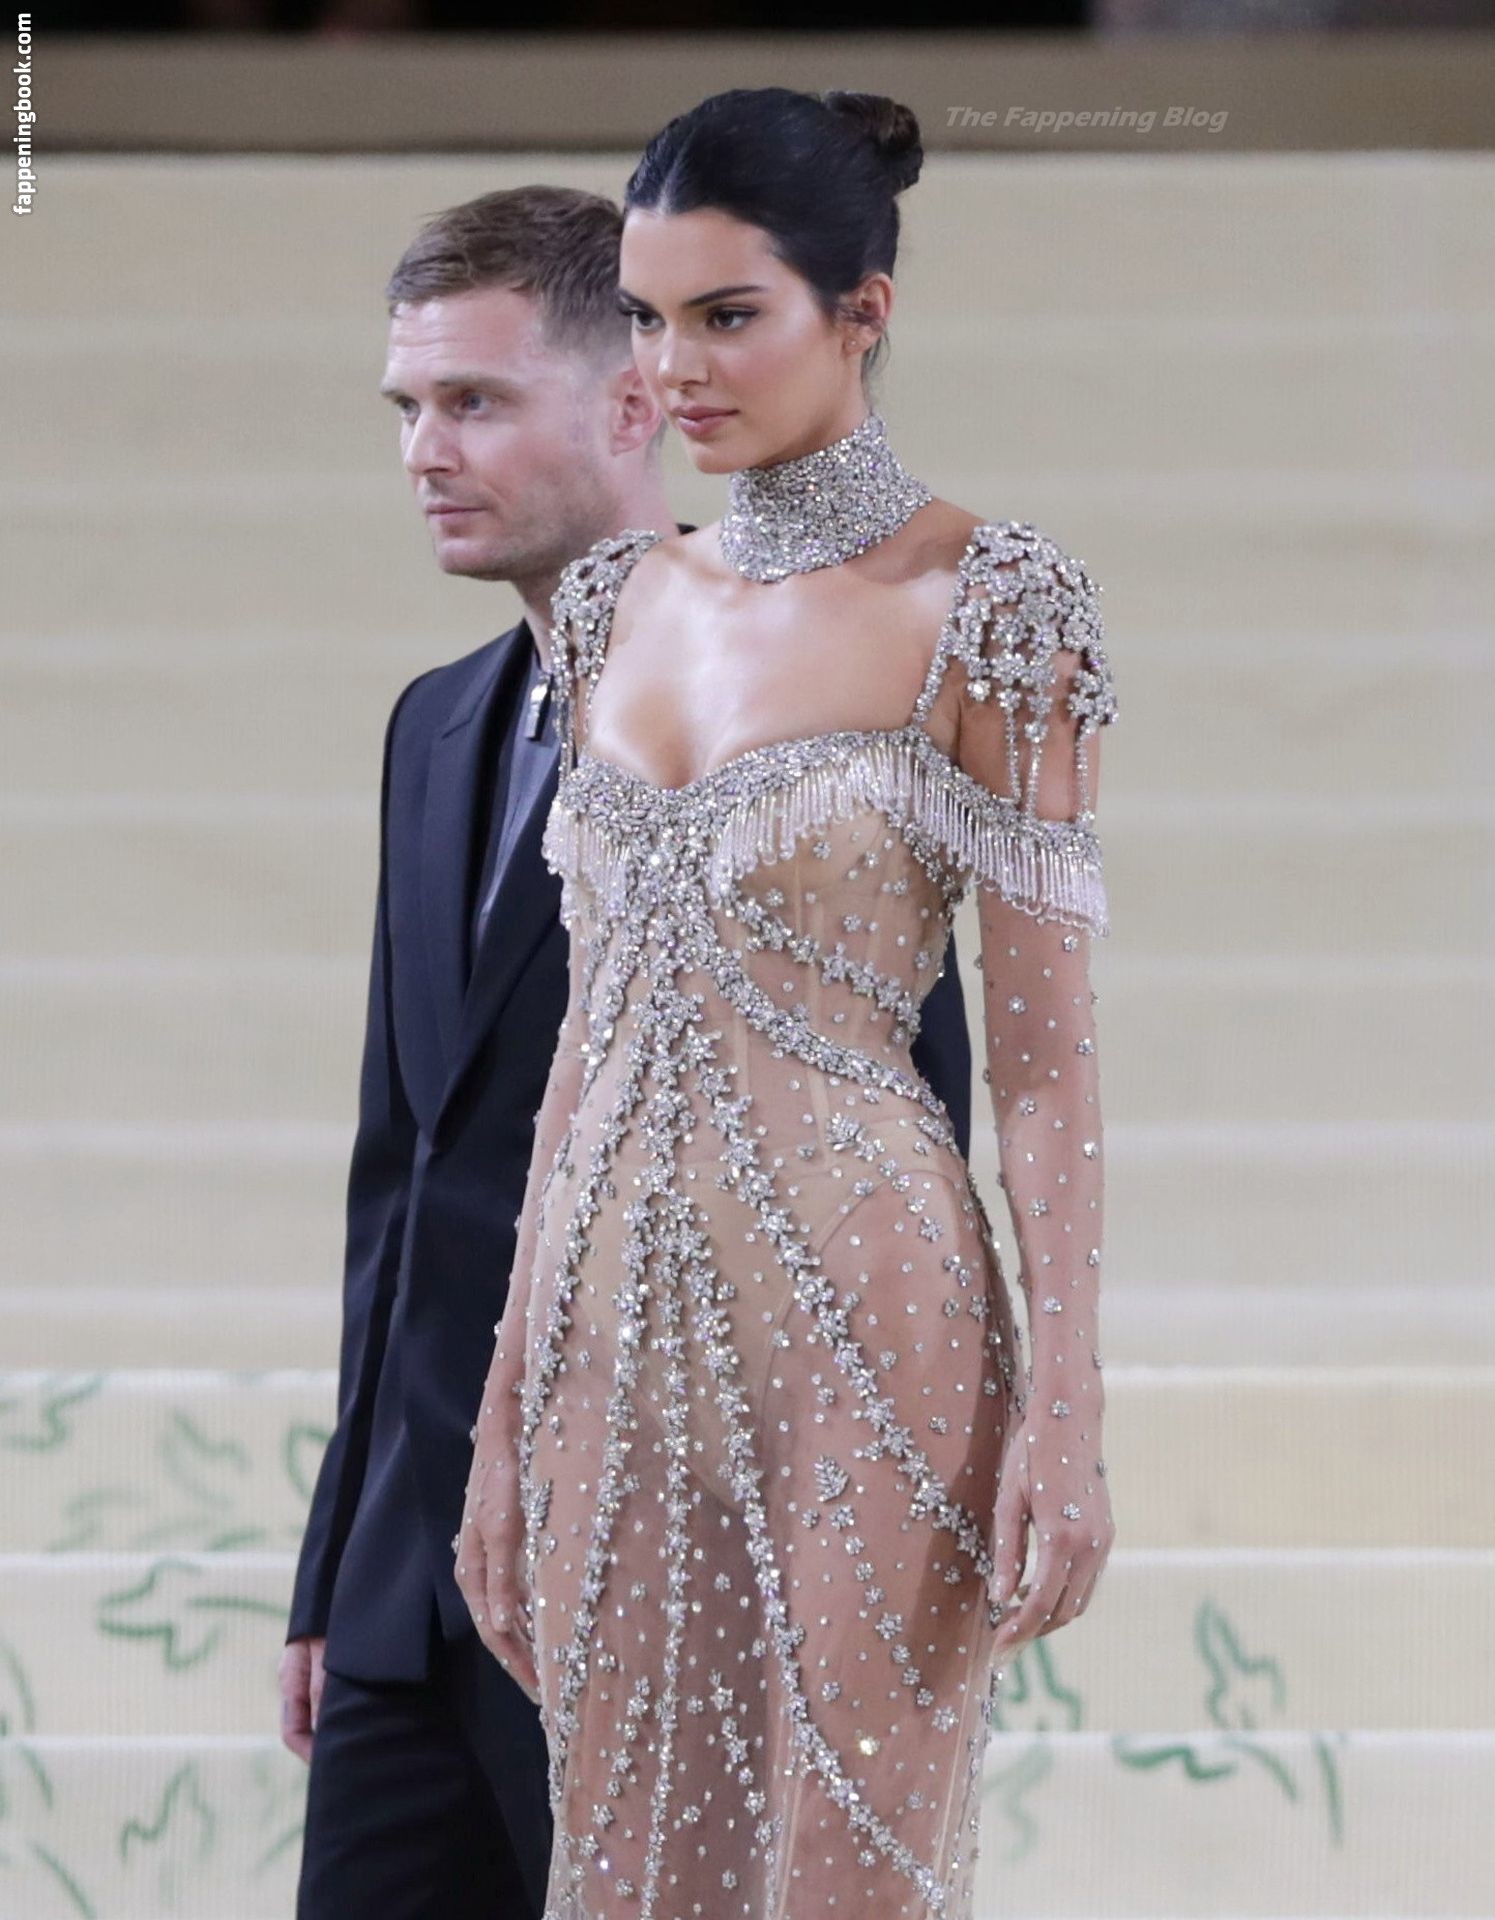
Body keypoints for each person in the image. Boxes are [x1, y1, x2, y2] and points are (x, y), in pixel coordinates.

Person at [456, 87, 1120, 1920]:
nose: (674, 369)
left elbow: (1046, 1066)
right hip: (602, 1329)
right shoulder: (609, 604)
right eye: (648, 318)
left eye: (728, 315)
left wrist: (1068, 1411)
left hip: (872, 1318)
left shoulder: (995, 601)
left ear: (864, 310)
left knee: (847, 1878)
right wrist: (503, 1408)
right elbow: (584, 1037)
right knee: (623, 1872)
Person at [279, 182, 977, 1919]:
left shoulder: (813, 703)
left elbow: (899, 1131)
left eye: (474, 401)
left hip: (676, 1564)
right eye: (408, 406)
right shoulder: (433, 724)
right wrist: (337, 1569)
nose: (424, 451)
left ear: (637, 404)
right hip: (412, 1598)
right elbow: (402, 1178)